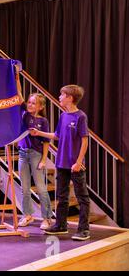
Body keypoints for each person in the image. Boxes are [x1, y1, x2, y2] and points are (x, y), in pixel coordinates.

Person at [30, 84, 90, 241]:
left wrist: (78, 162)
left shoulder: (80, 117)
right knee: (61, 196)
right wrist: (39, 133)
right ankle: (61, 225)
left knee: (82, 197)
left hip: (75, 165)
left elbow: (84, 142)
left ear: (70, 98)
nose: (59, 97)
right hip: (61, 162)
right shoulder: (63, 116)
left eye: (62, 95)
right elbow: (56, 135)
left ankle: (84, 230)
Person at [17, 93, 53, 230]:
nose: (30, 104)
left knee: (41, 188)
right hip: (22, 153)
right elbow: (20, 98)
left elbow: (46, 142)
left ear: (40, 106)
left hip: (36, 155)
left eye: (33, 103)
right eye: (29, 102)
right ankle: (27, 215)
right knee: (24, 188)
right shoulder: (25, 115)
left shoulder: (43, 121)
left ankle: (47, 218)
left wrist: (44, 159)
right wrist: (17, 79)